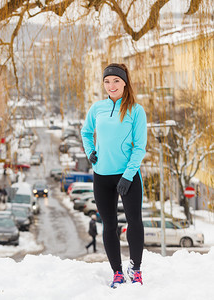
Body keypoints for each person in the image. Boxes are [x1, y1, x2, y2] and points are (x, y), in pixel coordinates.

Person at [81, 63, 147, 288]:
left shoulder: (136, 110)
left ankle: (135, 269)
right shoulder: (97, 108)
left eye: (116, 81)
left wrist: (128, 176)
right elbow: (86, 131)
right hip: (102, 176)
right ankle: (117, 272)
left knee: (134, 222)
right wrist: (90, 150)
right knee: (109, 225)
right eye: (107, 81)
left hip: (128, 176)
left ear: (125, 83)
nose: (111, 85)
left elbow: (139, 147)